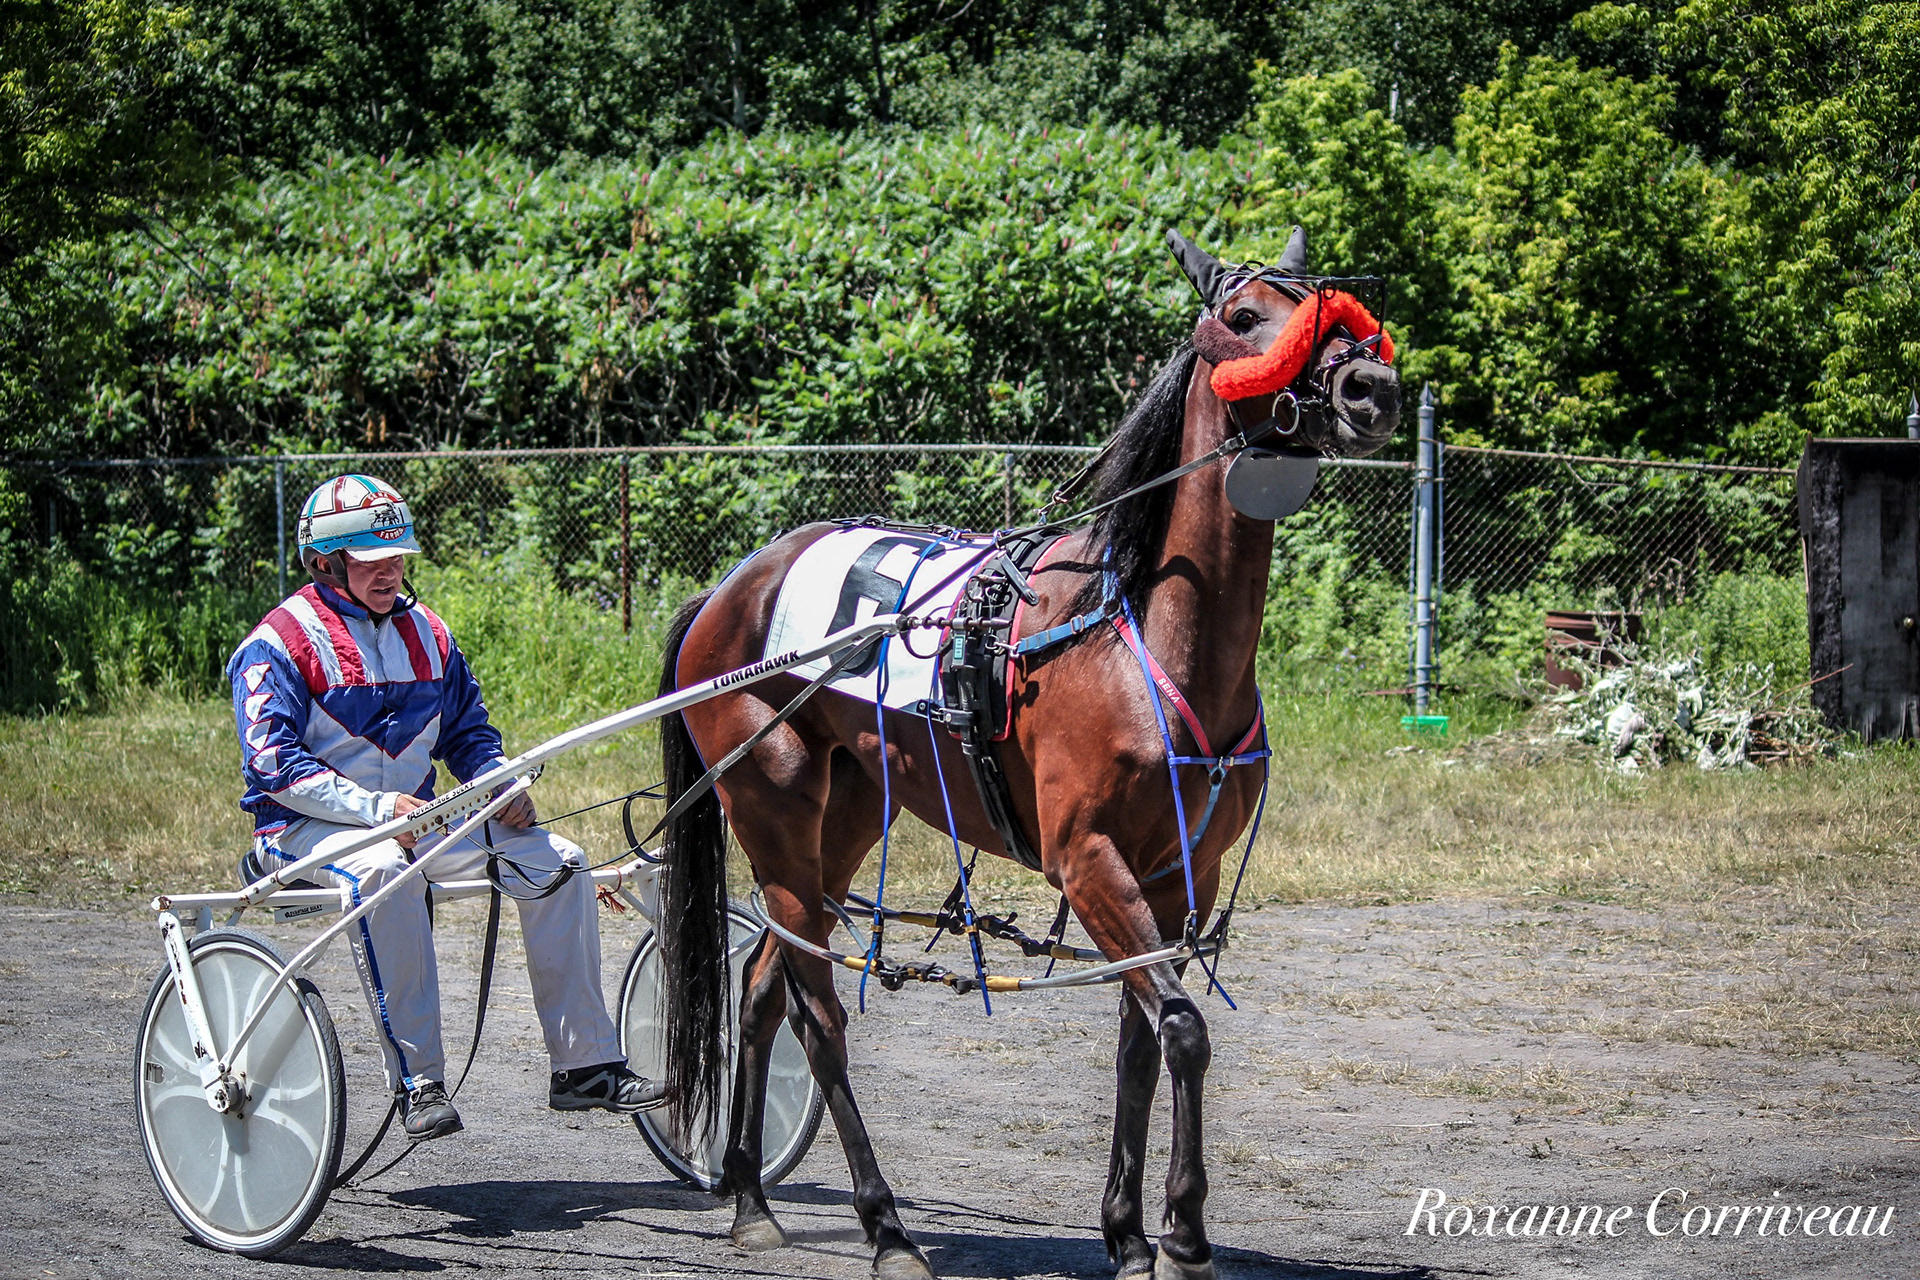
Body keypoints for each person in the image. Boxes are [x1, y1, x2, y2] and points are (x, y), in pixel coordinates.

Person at [226, 473, 665, 1141]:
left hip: (416, 824)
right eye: (374, 561)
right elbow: (272, 765)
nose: (391, 572)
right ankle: (417, 1082)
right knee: (385, 869)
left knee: (561, 862)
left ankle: (585, 1066)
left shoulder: (429, 632)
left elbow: (469, 736)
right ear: (326, 562)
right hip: (303, 831)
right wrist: (376, 808)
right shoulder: (276, 643)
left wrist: (499, 786)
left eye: (398, 558)